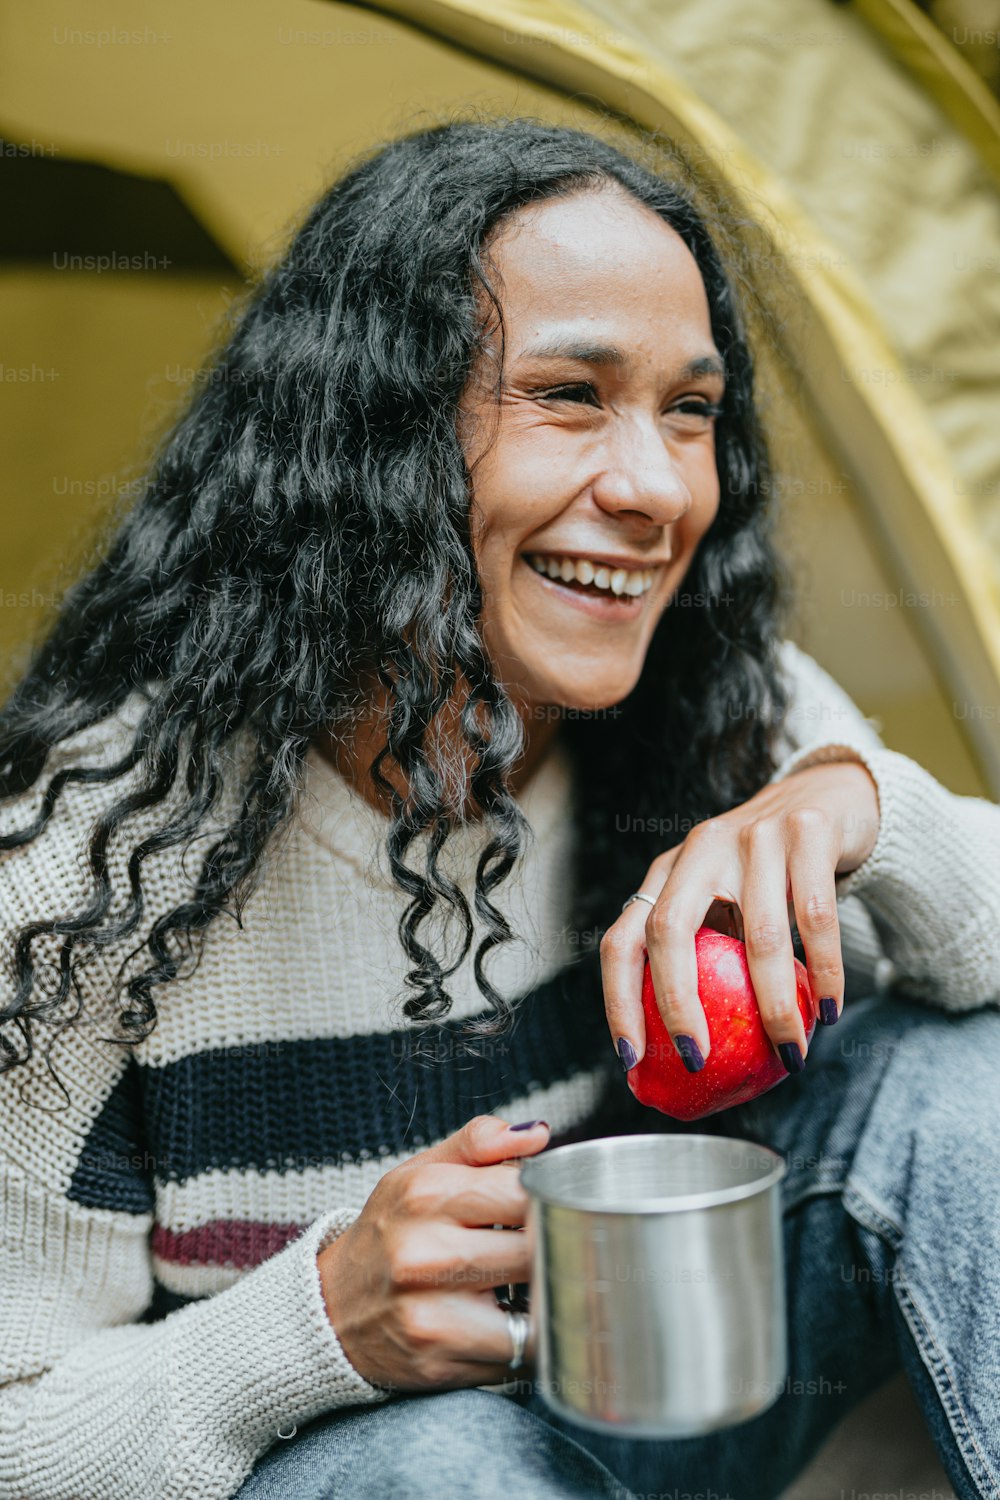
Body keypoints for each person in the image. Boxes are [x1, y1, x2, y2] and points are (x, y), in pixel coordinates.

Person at [0, 114, 998, 1500]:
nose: (655, 488)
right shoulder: (90, 863)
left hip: (676, 1407)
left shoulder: (723, 705)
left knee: (964, 1085)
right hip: (381, 1477)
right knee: (447, 1460)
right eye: (572, 395)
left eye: (691, 411)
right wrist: (312, 1329)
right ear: (370, 440)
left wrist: (863, 811)